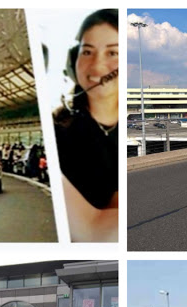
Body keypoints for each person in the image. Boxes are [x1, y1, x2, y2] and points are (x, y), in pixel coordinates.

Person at [54, 9, 118, 242]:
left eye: (113, 52)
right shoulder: (59, 134)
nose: (98, 65)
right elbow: (92, 230)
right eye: (87, 52)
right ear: (74, 60)